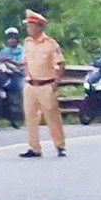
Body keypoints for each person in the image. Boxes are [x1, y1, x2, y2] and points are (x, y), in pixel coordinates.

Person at [18, 9, 67, 158]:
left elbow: (60, 64)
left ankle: (60, 145)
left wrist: (56, 82)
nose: (28, 29)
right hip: (31, 85)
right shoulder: (27, 43)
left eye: (31, 26)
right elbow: (25, 62)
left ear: (39, 26)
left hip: (46, 84)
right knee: (30, 116)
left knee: (52, 116)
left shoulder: (50, 44)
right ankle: (34, 147)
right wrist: (27, 75)